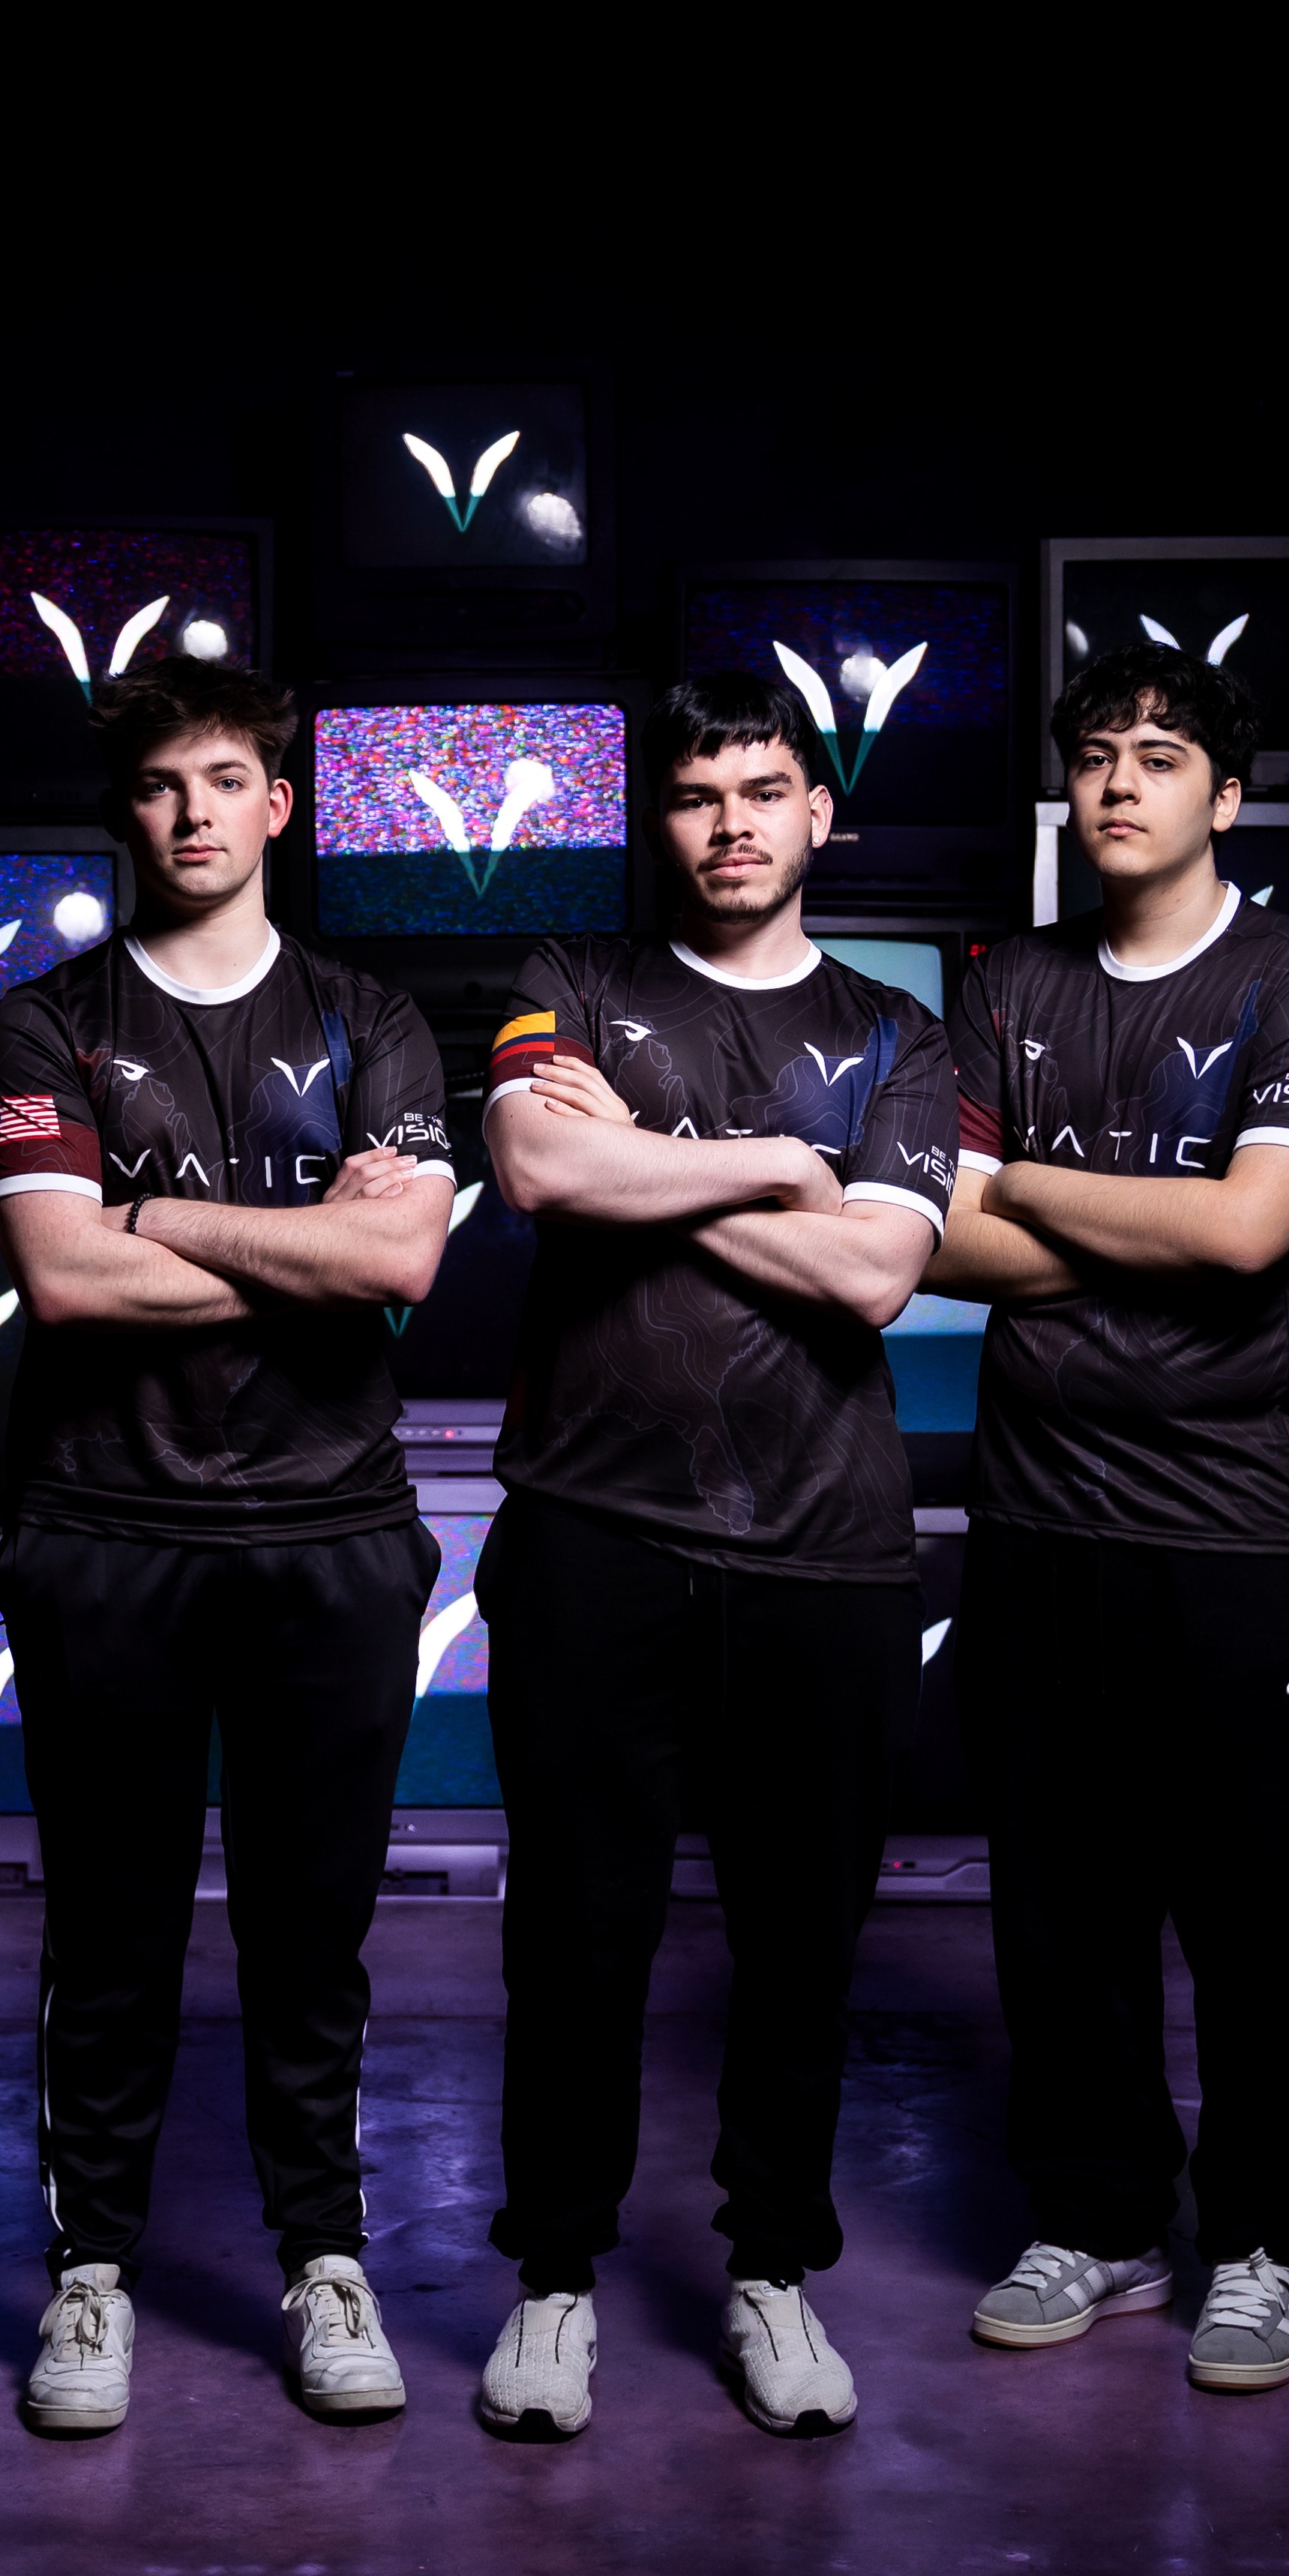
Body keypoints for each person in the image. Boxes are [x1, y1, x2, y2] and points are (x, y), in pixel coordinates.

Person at [0, 654, 454, 2436]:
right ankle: (91, 2270)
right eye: (163, 784)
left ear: (280, 805)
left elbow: (400, 1263)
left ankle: (324, 2259)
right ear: (128, 812)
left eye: (226, 779)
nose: (194, 812)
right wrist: (300, 1240)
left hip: (334, 1536)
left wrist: (158, 1210)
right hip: (107, 1530)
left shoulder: (374, 1018)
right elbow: (61, 1276)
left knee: (312, 1934)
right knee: (109, 1933)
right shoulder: (43, 1023)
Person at [475, 670, 957, 2443]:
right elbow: (539, 1174)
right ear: (657, 819)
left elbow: (874, 1276)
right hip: (592, 1532)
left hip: (826, 1546)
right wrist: (779, 1166)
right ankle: (553, 2282)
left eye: (764, 790)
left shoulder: (905, 1034)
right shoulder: (571, 982)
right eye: (697, 795)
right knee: (576, 1937)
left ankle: (771, 2272)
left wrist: (653, 1160)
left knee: (800, 1945)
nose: (731, 823)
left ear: (821, 811)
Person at [928, 648, 1289, 2394]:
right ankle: (1101, 2218)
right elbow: (939, 1236)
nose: (1122, 782)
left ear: (1225, 797)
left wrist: (1031, 1186)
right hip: (1041, 1517)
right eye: (1099, 755)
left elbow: (1252, 1234)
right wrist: (1146, 1217)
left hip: (1236, 1525)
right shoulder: (1008, 981)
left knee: (1255, 1918)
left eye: (1163, 757)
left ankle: (1268, 2244)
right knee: (1062, 1913)